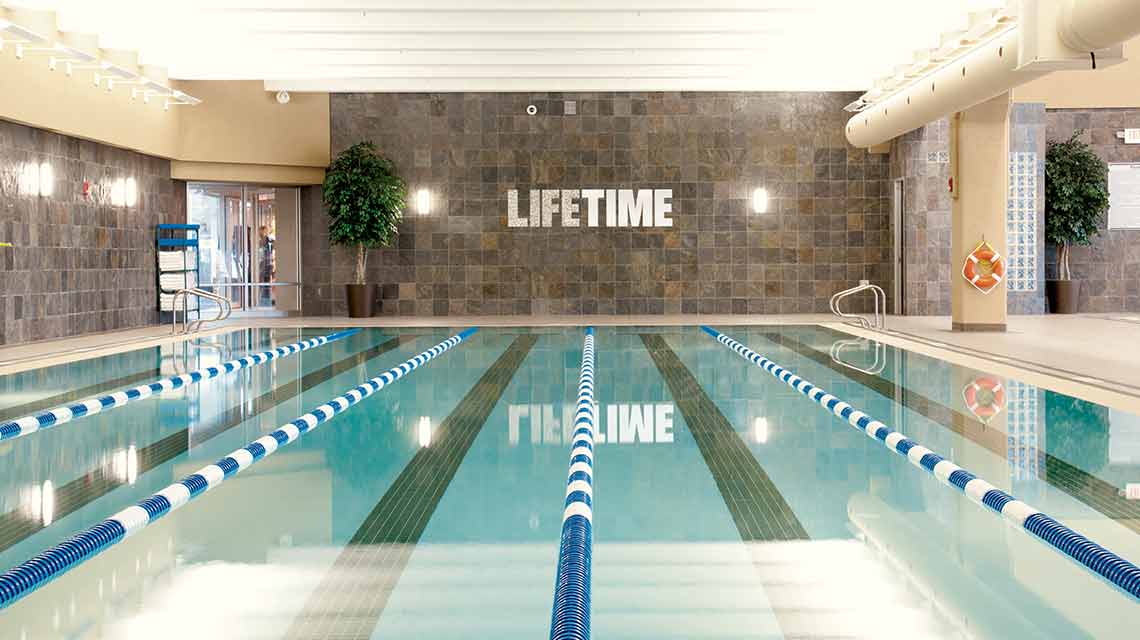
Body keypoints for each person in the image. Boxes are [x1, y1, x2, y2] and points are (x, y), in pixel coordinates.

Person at [258, 225, 275, 306]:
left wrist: (273, 261)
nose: (261, 233)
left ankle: (267, 299)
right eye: (260, 231)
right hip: (262, 264)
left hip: (268, 264)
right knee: (262, 280)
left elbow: (272, 252)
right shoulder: (259, 241)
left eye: (262, 231)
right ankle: (263, 298)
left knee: (267, 281)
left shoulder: (270, 241)